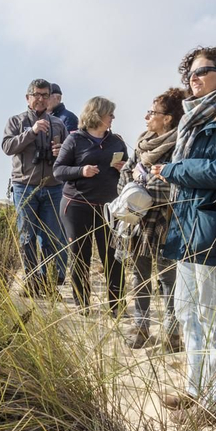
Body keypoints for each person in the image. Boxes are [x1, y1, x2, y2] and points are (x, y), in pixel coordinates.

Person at [155, 48, 216, 416]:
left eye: (202, 72)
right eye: (190, 74)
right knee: (186, 311)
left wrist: (174, 169)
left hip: (214, 222)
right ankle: (196, 390)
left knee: (215, 317)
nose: (193, 80)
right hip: (187, 221)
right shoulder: (195, 116)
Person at [118, 88, 186, 349]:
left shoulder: (179, 145)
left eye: (153, 112)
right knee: (139, 275)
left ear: (167, 118)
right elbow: (125, 174)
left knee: (169, 278)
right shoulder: (143, 142)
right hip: (137, 222)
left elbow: (174, 184)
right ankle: (141, 329)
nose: (147, 117)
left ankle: (173, 335)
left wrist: (140, 189)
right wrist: (134, 188)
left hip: (167, 219)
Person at [54, 96, 128, 309]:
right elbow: (58, 171)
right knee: (80, 256)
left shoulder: (117, 141)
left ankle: (117, 306)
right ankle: (82, 306)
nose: (113, 118)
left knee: (113, 257)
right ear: (97, 114)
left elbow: (130, 172)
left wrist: (125, 169)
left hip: (109, 208)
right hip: (77, 206)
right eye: (110, 114)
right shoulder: (75, 140)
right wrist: (81, 171)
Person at [2, 78, 70, 297]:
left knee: (51, 237)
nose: (41, 99)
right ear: (28, 97)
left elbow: (70, 156)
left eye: (45, 95)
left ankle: (48, 285)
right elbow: (7, 146)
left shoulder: (59, 124)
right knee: (27, 237)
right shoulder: (16, 121)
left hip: (53, 187)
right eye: (37, 95)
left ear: (50, 97)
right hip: (25, 186)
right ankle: (31, 282)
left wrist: (61, 152)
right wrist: (31, 132)